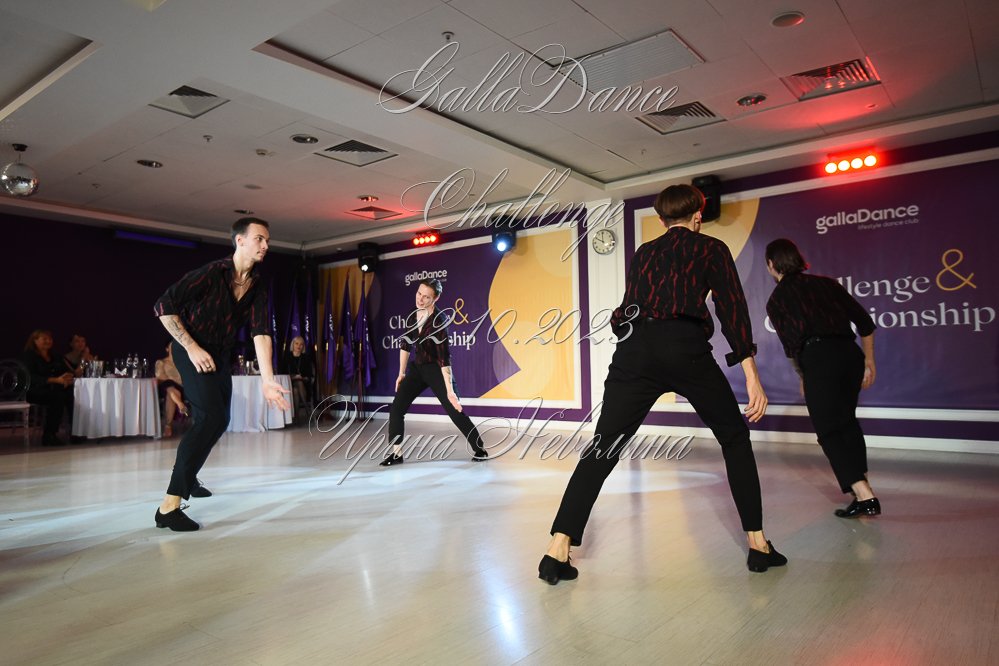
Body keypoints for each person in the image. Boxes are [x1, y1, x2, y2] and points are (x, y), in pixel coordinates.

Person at [540, 184, 785, 584]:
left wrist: (632, 339)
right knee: (734, 438)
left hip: (634, 351)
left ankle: (557, 548)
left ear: (661, 220)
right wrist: (751, 375)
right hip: (684, 347)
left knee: (603, 446)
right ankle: (758, 545)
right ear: (698, 216)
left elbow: (627, 309)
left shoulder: (644, 252)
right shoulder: (711, 248)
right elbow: (732, 309)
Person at [152, 217, 290, 532]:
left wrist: (268, 380)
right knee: (209, 418)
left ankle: (188, 475)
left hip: (220, 355)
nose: (265, 245)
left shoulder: (257, 284)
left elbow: (261, 332)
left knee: (220, 420)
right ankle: (169, 507)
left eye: (267, 240)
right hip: (190, 349)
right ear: (239, 241)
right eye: (259, 239)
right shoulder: (211, 273)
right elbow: (163, 306)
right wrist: (191, 347)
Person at [764, 238, 880, 518]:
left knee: (828, 430)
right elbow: (865, 323)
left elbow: (792, 346)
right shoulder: (828, 284)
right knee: (847, 422)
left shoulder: (777, 300)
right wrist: (869, 360)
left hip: (818, 359)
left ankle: (865, 495)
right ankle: (862, 487)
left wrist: (803, 375)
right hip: (850, 355)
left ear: (771, 265)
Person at [381, 278, 488, 465]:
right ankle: (396, 454)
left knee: (454, 410)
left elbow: (444, 358)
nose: (420, 299)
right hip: (418, 368)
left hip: (437, 369)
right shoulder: (412, 315)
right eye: (419, 294)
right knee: (397, 408)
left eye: (426, 297)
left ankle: (480, 449)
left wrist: (450, 390)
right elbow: (406, 345)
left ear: (436, 298)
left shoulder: (440, 321)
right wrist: (401, 373)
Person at [21, 329, 75, 446]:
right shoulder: (29, 356)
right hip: (34, 390)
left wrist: (67, 377)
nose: (48, 341)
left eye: (50, 339)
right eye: (44, 339)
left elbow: (66, 370)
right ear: (35, 341)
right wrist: (55, 380)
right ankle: (49, 435)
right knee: (57, 397)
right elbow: (30, 377)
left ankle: (75, 432)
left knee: (73, 395)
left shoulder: (54, 355)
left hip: (54, 388)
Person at [155, 342, 189, 438]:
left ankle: (168, 426)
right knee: (170, 387)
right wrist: (173, 380)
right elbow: (160, 378)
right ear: (167, 349)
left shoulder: (183, 362)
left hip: (182, 388)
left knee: (171, 393)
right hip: (166, 387)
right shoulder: (161, 362)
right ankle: (180, 405)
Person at [280, 335, 315, 421]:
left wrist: (302, 378)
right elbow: (282, 373)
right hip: (289, 384)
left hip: (304, 384)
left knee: (297, 386)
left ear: (303, 346)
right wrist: (293, 376)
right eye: (297, 343)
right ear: (293, 344)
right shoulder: (287, 357)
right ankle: (307, 410)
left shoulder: (306, 358)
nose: (299, 346)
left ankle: (297, 416)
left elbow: (309, 375)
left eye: (301, 344)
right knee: (295, 388)